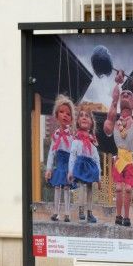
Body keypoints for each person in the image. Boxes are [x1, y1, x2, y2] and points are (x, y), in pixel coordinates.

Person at [103, 70, 133, 227]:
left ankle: (127, 217)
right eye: (123, 94)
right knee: (119, 189)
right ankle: (118, 216)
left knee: (128, 189)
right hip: (119, 158)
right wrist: (117, 83)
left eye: (129, 94)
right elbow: (108, 124)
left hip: (129, 159)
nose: (126, 96)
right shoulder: (114, 118)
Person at [68, 105, 101, 224]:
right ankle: (81, 210)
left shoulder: (93, 142)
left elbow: (97, 159)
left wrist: (99, 176)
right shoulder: (76, 140)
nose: (84, 118)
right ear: (77, 121)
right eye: (81, 116)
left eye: (87, 116)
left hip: (91, 166)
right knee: (81, 186)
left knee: (90, 188)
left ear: (92, 122)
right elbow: (72, 156)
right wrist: (71, 171)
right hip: (81, 164)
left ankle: (90, 212)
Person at [45, 94, 75, 222]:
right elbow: (52, 153)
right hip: (59, 164)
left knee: (67, 188)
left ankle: (67, 213)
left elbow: (74, 152)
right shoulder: (55, 135)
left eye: (68, 114)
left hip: (68, 165)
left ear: (71, 118)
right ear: (56, 115)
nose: (65, 115)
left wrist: (72, 170)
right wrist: (49, 169)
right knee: (57, 186)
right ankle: (56, 212)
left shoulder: (72, 135)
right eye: (61, 112)